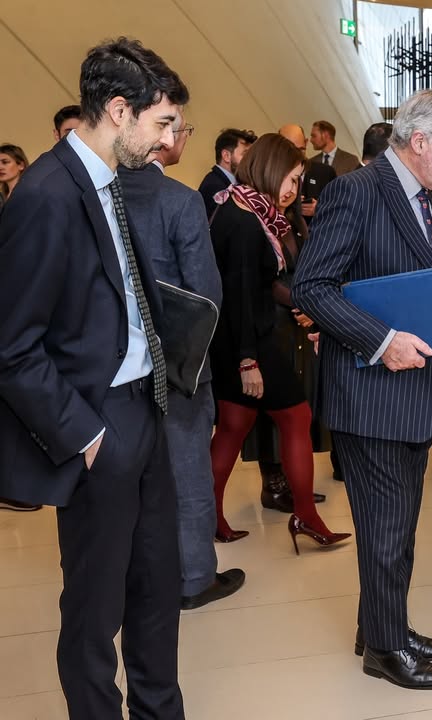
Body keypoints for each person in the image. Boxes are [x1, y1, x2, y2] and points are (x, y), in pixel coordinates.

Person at [0, 37, 189, 718]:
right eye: (161, 124)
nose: (169, 142)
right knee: (93, 609)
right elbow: (11, 344)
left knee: (156, 590)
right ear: (118, 111)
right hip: (96, 425)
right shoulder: (47, 195)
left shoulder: (110, 185)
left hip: (145, 409)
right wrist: (82, 434)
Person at [292, 88, 432, 690]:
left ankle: (382, 626)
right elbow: (312, 288)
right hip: (375, 394)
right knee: (387, 531)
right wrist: (382, 340)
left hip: (410, 396)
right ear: (419, 141)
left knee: (393, 527)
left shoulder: (420, 197)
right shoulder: (358, 190)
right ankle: (385, 649)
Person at [120, 113, 246, 610]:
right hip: (178, 363)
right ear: (162, 140)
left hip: (116, 365)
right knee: (188, 470)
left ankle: (139, 576)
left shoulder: (100, 193)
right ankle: (194, 577)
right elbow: (206, 292)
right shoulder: (179, 199)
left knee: (132, 475)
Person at [206, 133, 350, 553]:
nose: (292, 189)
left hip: (238, 338)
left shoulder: (249, 210)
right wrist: (248, 360)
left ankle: (210, 517)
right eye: (290, 178)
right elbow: (241, 295)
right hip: (249, 341)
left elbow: (257, 285)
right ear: (268, 168)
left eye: (298, 180)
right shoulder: (246, 218)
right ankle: (305, 516)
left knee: (233, 427)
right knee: (296, 418)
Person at [279, 123, 335, 224]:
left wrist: (319, 209)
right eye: (289, 151)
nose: (295, 156)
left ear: (306, 142)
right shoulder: (270, 174)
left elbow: (339, 210)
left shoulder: (325, 173)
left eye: (300, 150)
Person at [198, 127, 258, 218]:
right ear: (226, 156)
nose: (251, 161)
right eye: (246, 154)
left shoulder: (231, 184)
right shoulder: (215, 186)